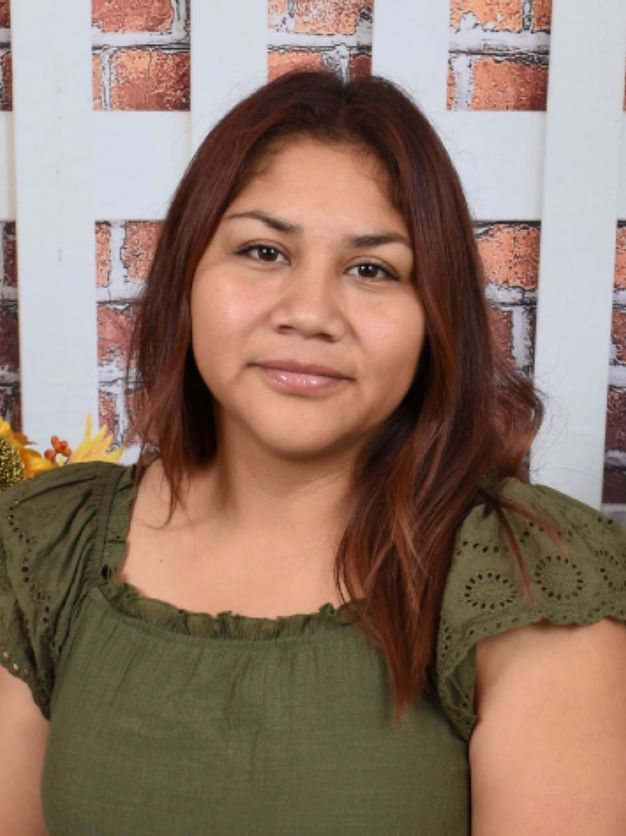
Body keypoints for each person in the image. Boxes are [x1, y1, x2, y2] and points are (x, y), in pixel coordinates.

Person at [1, 69, 625, 835]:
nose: (309, 313)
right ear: (186, 273)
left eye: (372, 269)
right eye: (264, 251)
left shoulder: (528, 575)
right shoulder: (45, 547)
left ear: (435, 319)